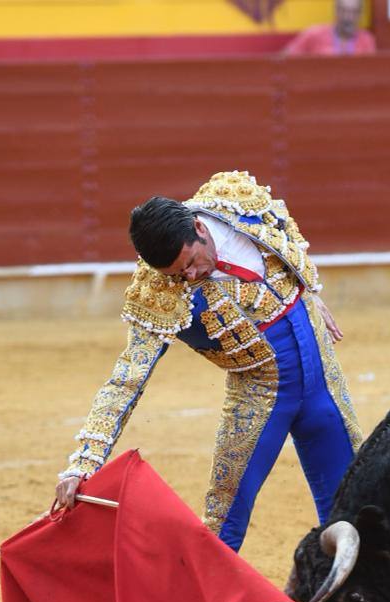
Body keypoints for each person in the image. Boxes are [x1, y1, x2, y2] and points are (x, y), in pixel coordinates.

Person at [54, 171, 363, 552]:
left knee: (353, 505)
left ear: (200, 228)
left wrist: (308, 288)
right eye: (177, 274)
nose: (190, 276)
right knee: (224, 522)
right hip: (261, 397)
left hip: (323, 381)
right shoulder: (159, 292)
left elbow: (286, 232)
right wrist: (83, 464)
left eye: (192, 262)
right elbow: (126, 379)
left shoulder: (237, 200)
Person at [282, 0, 376, 56]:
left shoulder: (367, 40)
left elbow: (371, 72)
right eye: (344, 11)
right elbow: (284, 59)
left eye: (353, 12)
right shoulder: (314, 34)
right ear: (336, 12)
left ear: (360, 15)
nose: (348, 17)